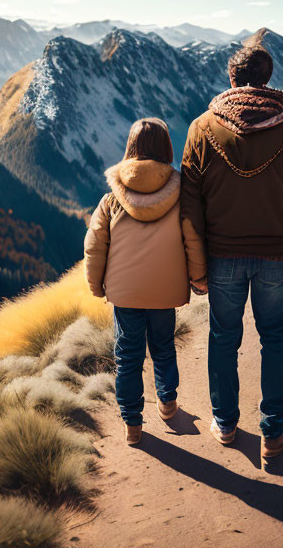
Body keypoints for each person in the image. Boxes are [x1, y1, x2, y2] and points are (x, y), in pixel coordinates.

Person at [180, 41, 283, 459]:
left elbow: (191, 206)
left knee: (224, 339)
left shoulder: (201, 129)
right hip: (276, 259)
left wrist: (196, 267)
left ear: (232, 79)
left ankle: (225, 424)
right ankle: (273, 432)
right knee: (276, 341)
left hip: (221, 258)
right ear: (267, 79)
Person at [84, 118, 203, 445]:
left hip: (125, 294)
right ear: (166, 148)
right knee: (163, 348)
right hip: (165, 292)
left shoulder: (110, 200)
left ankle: (133, 424)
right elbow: (193, 239)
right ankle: (167, 403)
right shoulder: (180, 196)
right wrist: (199, 278)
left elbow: (95, 246)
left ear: (131, 150)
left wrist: (96, 286)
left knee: (128, 357)